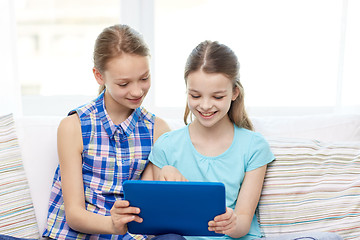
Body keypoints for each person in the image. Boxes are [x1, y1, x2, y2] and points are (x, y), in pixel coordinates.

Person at [145, 41, 343, 240]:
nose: (205, 105)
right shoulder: (167, 145)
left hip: (236, 237)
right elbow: (147, 217)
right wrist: (163, 172)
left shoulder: (253, 146)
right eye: (195, 95)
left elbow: (243, 222)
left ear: (234, 93)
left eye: (217, 96)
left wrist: (231, 222)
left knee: (329, 238)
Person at [41, 24, 184, 240]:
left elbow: (152, 206)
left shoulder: (158, 130)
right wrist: (113, 223)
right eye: (124, 83)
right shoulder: (74, 126)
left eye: (144, 78)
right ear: (99, 76)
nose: (137, 91)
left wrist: (170, 179)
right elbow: (74, 215)